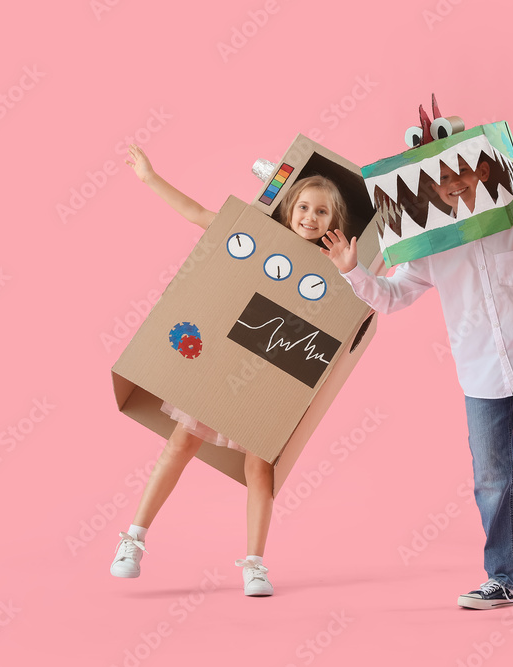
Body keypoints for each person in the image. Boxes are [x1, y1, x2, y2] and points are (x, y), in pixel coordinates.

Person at [321, 184, 513, 613]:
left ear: (484, 167)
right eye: (443, 177)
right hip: (480, 375)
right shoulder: (430, 247)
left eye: (465, 168)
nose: (456, 182)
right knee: (491, 480)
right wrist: (352, 269)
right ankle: (504, 579)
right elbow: (391, 298)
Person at [110, 144, 347, 596]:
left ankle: (254, 564)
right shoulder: (258, 236)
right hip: (225, 364)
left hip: (271, 376)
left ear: (333, 223)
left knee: (260, 467)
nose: (310, 217)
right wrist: (150, 178)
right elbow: (199, 213)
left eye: (321, 212)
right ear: (288, 208)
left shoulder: (334, 268)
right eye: (302, 207)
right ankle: (133, 540)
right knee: (180, 441)